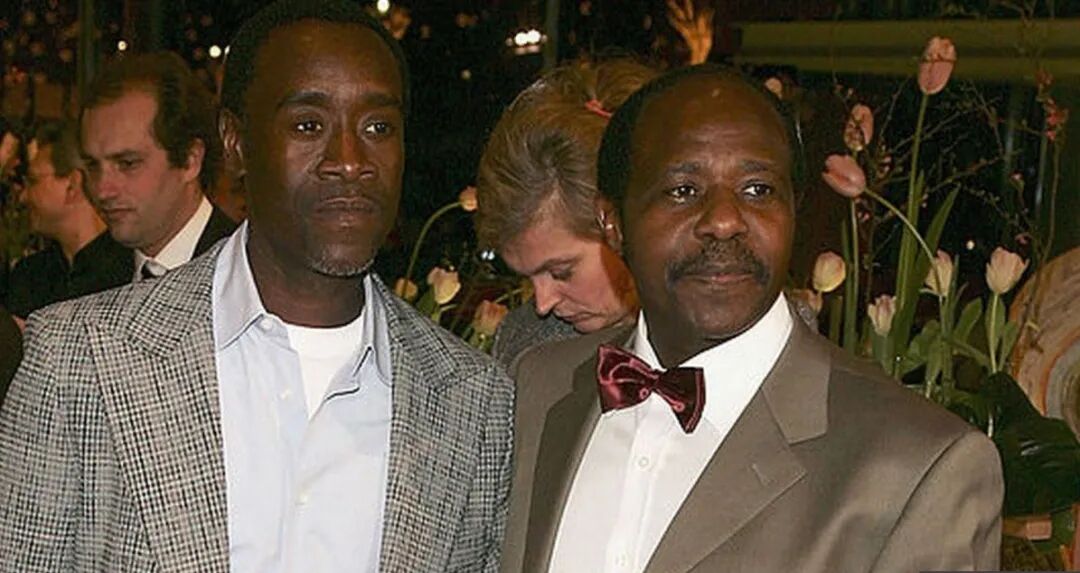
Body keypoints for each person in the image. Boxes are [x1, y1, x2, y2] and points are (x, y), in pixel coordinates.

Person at [0, 1, 513, 570]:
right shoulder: (79, 357)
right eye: (308, 125)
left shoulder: (473, 401)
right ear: (236, 142)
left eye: (378, 127)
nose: (349, 161)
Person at [503, 65, 1003, 573]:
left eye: (758, 190)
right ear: (612, 223)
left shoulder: (919, 468)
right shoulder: (540, 389)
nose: (724, 221)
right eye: (683, 190)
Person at [476, 59, 655, 367]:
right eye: (528, 278)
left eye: (561, 272)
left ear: (629, 224)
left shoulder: (733, 332)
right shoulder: (526, 345)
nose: (543, 304)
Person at [80, 51, 236, 281]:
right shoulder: (87, 271)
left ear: (190, 160)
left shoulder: (247, 272)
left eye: (127, 164)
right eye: (93, 166)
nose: (103, 190)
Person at [5, 120, 130, 320]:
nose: (23, 197)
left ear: (72, 185)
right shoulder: (29, 275)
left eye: (34, 181)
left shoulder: (131, 274)